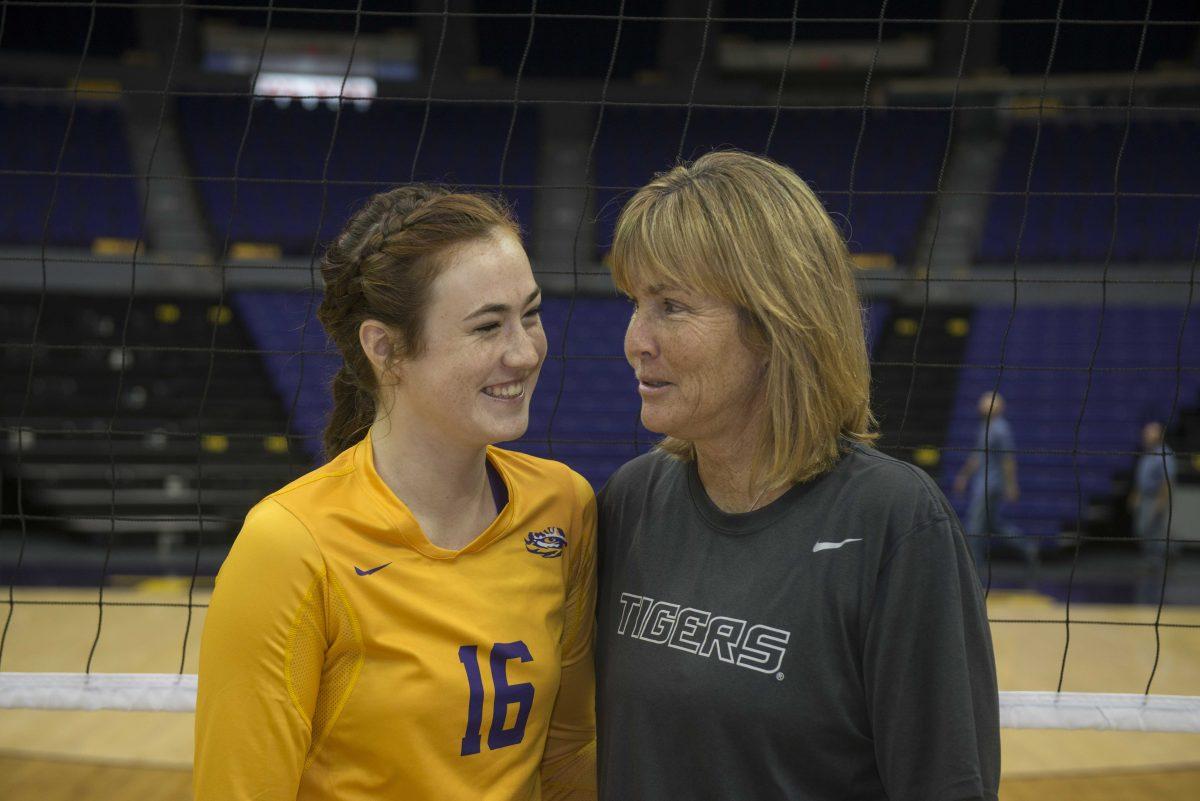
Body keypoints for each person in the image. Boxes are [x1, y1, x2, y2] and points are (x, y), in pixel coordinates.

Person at [595, 150, 999, 801]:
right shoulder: (631, 501)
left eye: (670, 305)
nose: (634, 338)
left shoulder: (893, 522)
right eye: (635, 302)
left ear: (774, 324)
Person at [195, 186, 596, 801]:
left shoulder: (562, 506)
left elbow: (569, 753)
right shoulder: (292, 546)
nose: (525, 351)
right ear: (385, 349)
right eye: (487, 326)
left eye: (532, 314)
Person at [953, 391, 1027, 576]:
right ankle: (1027, 547)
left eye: (986, 402)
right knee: (993, 524)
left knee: (974, 527)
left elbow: (1008, 460)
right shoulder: (986, 427)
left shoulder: (1000, 429)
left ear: (997, 406)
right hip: (983, 484)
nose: (982, 405)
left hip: (990, 486)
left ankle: (974, 569)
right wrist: (964, 476)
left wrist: (1011, 485)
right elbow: (977, 457)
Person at [1128, 421, 1179, 604]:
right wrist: (1136, 495)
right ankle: (1155, 559)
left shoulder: (1165, 454)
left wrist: (1161, 501)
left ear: (1159, 434)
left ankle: (1160, 559)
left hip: (1155, 498)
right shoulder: (1147, 454)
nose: (1145, 435)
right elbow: (1140, 478)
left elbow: (1167, 480)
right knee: (1142, 529)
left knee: (1151, 529)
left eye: (1149, 433)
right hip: (1144, 497)